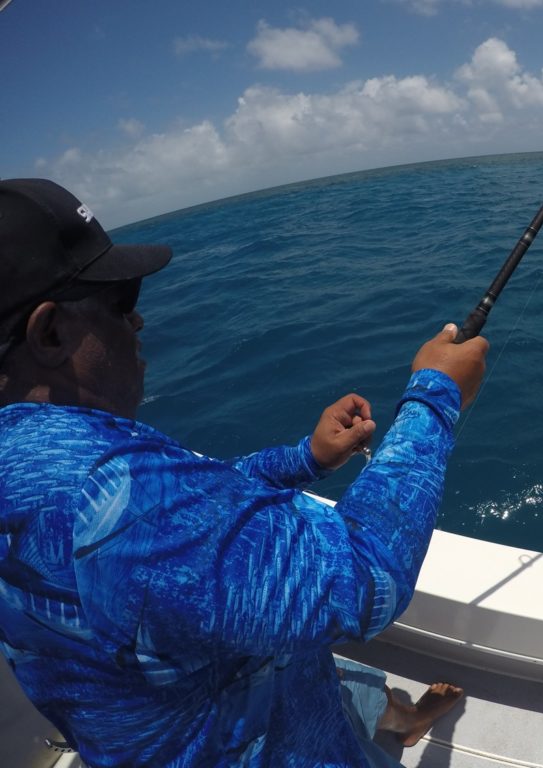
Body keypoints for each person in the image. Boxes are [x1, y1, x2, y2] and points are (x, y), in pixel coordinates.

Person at [0, 178, 489, 767]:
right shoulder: (102, 486)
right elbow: (365, 578)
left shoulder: (51, 462)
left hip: (151, 712)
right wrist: (436, 396)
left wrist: (305, 458)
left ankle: (402, 720)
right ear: (49, 331)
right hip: (261, 747)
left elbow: (192, 508)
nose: (138, 324)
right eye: (120, 300)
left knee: (343, 681)